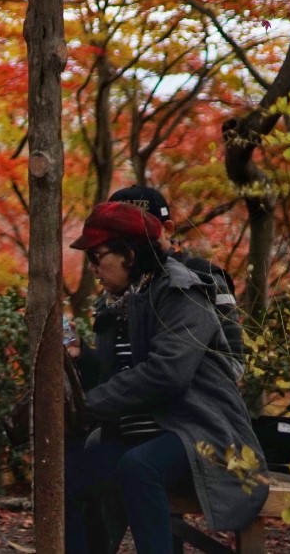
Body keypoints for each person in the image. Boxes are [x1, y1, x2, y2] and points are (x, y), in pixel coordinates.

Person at [63, 201, 267, 554]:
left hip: (202, 433)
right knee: (65, 474)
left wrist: (86, 406)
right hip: (152, 432)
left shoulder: (181, 292)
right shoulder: (128, 298)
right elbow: (123, 376)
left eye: (97, 256)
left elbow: (165, 374)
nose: (93, 268)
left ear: (128, 253)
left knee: (139, 467)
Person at [104, 183, 245, 378]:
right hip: (119, 403)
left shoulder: (202, 279)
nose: (128, 243)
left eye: (138, 231)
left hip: (182, 404)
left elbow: (234, 364)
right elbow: (109, 364)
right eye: (117, 234)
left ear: (167, 230)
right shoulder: (113, 286)